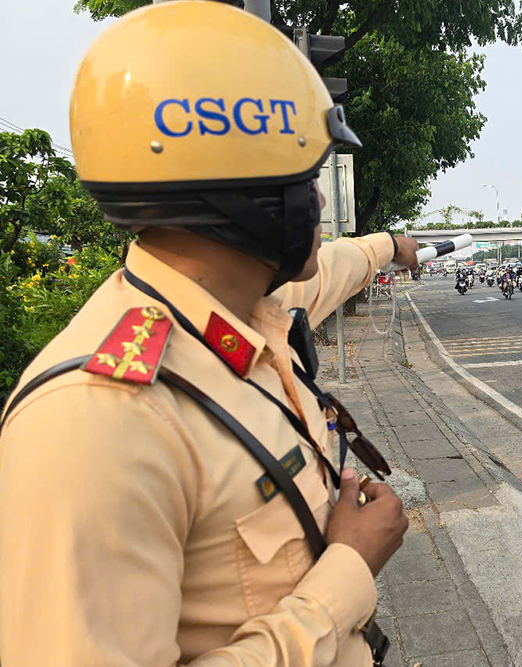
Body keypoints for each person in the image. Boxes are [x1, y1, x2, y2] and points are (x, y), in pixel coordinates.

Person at [0, 4, 416, 666]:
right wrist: (346, 572)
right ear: (245, 192)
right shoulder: (98, 420)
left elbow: (334, 267)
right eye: (308, 178)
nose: (322, 204)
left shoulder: (242, 314)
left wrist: (393, 246)